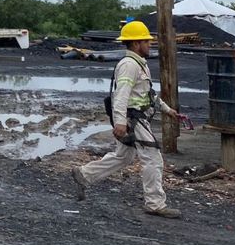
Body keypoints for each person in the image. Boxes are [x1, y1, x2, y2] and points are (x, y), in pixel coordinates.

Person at [71, 21, 185, 218]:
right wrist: (121, 122)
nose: (150, 45)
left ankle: (84, 174)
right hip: (133, 118)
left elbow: (147, 94)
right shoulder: (129, 66)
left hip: (135, 117)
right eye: (146, 42)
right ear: (135, 44)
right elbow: (121, 95)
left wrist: (168, 110)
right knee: (153, 158)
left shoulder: (139, 64)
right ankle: (155, 203)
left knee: (123, 156)